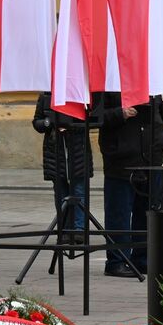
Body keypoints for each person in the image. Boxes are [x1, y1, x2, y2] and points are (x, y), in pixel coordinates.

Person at [98, 93, 163, 277]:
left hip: (150, 158)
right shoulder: (110, 81)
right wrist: (120, 113)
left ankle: (142, 259)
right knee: (119, 214)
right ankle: (117, 261)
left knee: (146, 213)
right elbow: (95, 117)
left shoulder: (152, 83)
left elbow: (162, 115)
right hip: (122, 161)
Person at [32, 92, 93, 242]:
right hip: (55, 149)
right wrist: (49, 123)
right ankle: (65, 229)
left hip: (77, 148)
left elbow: (90, 119)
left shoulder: (79, 92)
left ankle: (79, 229)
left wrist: (70, 125)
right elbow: (37, 122)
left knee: (79, 190)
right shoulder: (46, 96)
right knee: (61, 192)